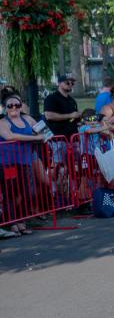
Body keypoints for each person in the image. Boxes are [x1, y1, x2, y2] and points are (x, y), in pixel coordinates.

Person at [0, 92, 46, 235]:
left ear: (21, 106)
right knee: (11, 193)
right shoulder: (3, 122)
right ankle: (12, 223)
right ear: (5, 108)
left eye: (17, 105)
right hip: (8, 163)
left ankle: (21, 219)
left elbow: (46, 131)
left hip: (25, 161)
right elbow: (9, 136)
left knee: (27, 192)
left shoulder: (28, 119)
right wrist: (35, 137)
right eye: (10, 105)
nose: (14, 107)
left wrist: (42, 136)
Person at [43, 72, 81, 138]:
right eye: (67, 83)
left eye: (72, 83)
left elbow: (73, 118)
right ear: (59, 83)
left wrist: (79, 116)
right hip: (59, 138)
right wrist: (70, 115)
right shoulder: (51, 98)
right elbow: (48, 116)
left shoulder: (72, 100)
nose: (70, 85)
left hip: (73, 138)